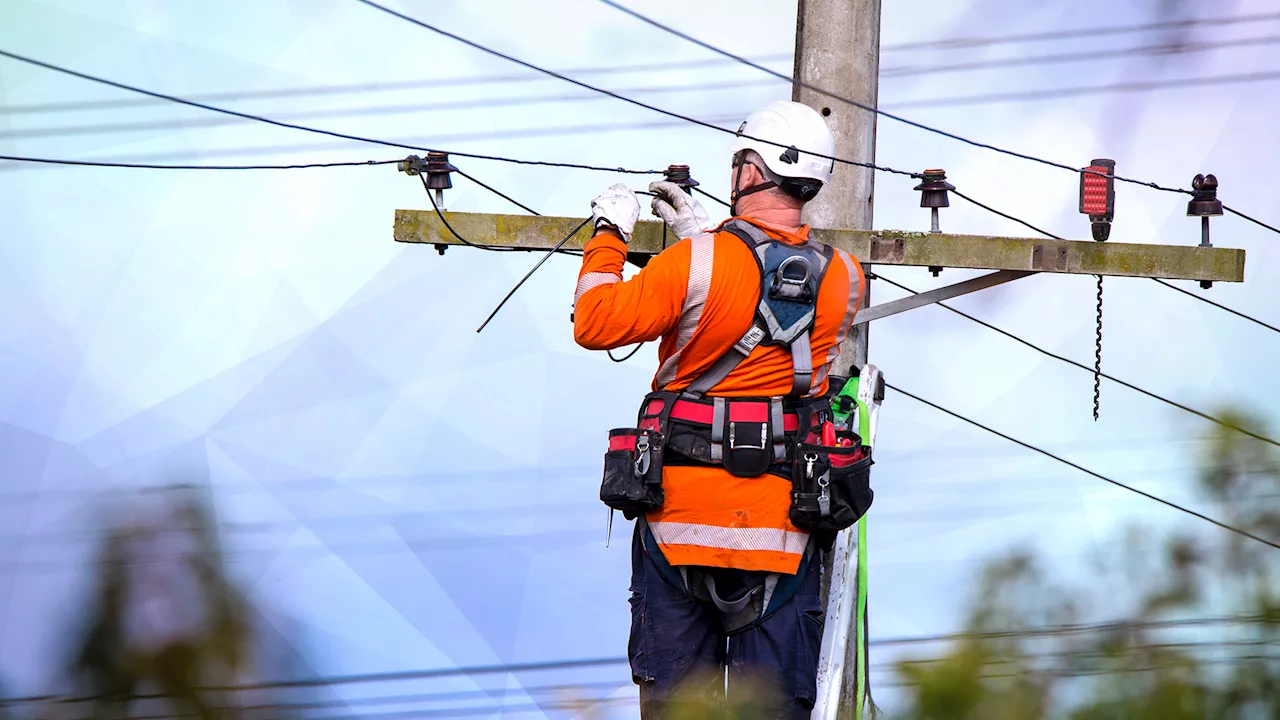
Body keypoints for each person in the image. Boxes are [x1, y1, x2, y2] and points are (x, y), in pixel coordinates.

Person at [572, 101, 867, 718]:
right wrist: (706, 243)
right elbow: (772, 304)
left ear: (753, 170)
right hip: (782, 537)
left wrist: (608, 236)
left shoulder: (696, 262)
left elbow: (596, 323)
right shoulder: (844, 276)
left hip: (677, 530)